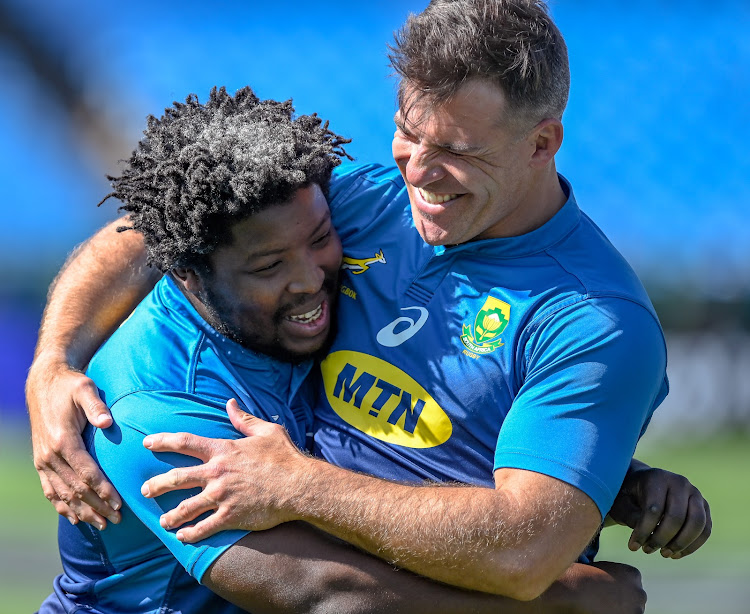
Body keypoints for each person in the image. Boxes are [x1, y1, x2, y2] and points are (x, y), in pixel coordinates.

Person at [26, 0, 711, 606]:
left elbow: (522, 551)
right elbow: (154, 223)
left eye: (453, 149)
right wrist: (53, 361)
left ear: (542, 142)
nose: (416, 169)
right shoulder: (360, 201)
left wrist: (300, 486)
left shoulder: (592, 322)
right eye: (408, 132)